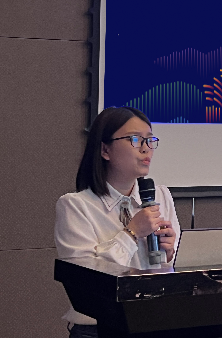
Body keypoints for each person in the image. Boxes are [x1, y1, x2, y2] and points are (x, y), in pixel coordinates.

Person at [55, 107, 180, 338]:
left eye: (150, 140)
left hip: (154, 323)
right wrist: (131, 233)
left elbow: (170, 274)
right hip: (98, 329)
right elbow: (87, 283)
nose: (146, 148)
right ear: (105, 150)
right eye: (135, 139)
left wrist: (170, 253)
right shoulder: (76, 206)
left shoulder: (161, 196)